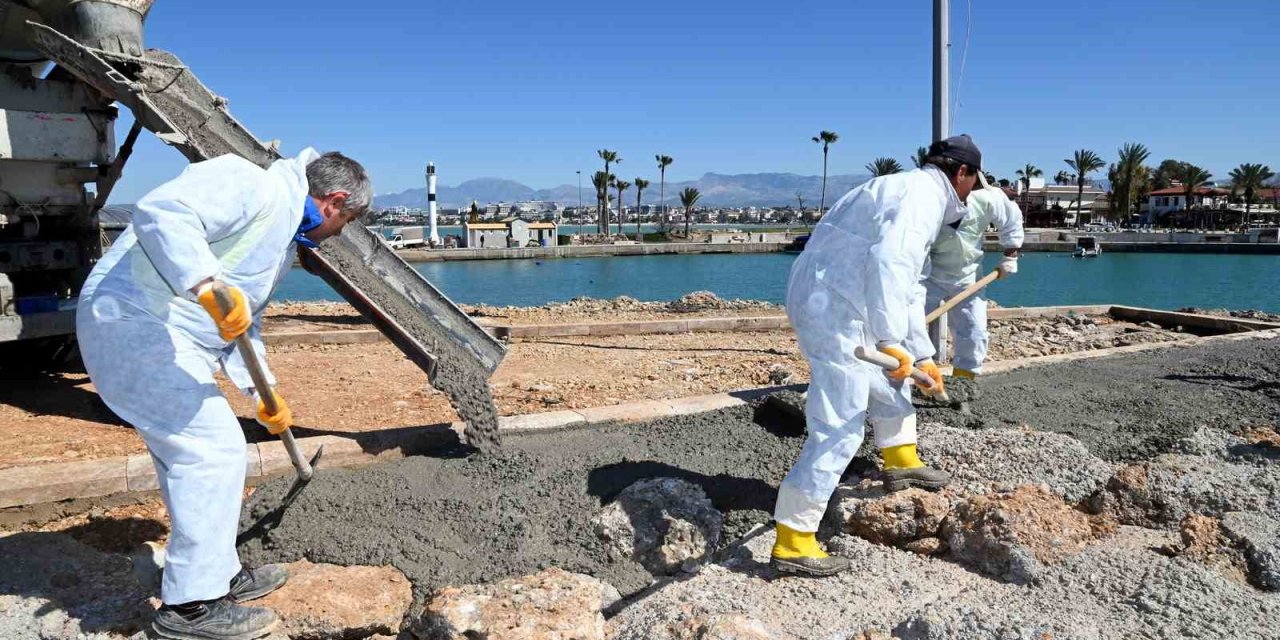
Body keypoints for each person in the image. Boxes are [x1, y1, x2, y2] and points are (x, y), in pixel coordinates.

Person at [77, 150, 371, 639]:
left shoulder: (277, 238)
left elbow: (239, 321)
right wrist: (204, 281)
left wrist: (264, 393)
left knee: (188, 456)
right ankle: (190, 607)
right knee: (213, 450)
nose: (337, 233)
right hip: (133, 322)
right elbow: (163, 211)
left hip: (166, 334)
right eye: (346, 221)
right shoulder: (250, 184)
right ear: (335, 201)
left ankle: (216, 571)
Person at [770, 135, 982, 577]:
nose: (971, 193)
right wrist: (889, 338)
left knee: (890, 378)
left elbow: (903, 286)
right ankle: (794, 538)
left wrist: (920, 354)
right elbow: (890, 265)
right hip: (832, 308)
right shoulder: (923, 197)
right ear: (961, 173)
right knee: (841, 422)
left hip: (846, 297)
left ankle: (900, 458)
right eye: (972, 183)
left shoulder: (905, 189)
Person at [911, 174, 1023, 378]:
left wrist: (1010, 255)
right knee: (908, 327)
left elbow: (1011, 220)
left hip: (968, 278)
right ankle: (911, 380)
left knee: (974, 333)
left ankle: (964, 384)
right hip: (926, 276)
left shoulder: (989, 198)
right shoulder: (927, 197)